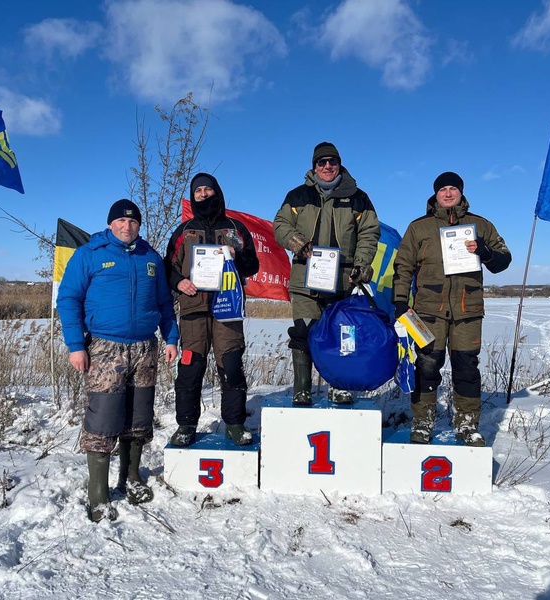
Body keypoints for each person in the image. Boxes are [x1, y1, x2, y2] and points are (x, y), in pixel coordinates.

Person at [58, 199, 179, 522]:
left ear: (139, 225)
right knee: (103, 420)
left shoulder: (150, 258)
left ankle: (131, 478)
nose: (127, 227)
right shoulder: (90, 254)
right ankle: (98, 493)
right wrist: (75, 345)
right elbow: (68, 298)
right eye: (121, 222)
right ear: (110, 224)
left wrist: (171, 337)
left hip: (145, 348)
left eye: (133, 222)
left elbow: (165, 303)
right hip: (105, 348)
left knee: (138, 419)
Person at [392, 172, 511, 446]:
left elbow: (503, 260)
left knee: (466, 368)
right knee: (426, 366)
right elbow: (403, 267)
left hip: (467, 311)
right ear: (435, 194)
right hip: (427, 312)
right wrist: (400, 302)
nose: (448, 194)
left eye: (453, 189)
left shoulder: (481, 225)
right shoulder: (418, 228)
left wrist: (484, 251)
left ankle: (468, 424)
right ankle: (423, 422)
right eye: (443, 189)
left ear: (461, 193)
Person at [273, 142, 380, 405]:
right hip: (304, 280)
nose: (327, 166)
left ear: (339, 164)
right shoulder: (297, 196)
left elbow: (369, 233)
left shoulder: (359, 197)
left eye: (332, 161)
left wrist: (362, 264)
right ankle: (302, 389)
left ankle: (339, 386)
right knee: (304, 332)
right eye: (322, 162)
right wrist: (298, 243)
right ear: (314, 166)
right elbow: (280, 225)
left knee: (342, 335)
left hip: (343, 281)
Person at [165, 173, 260, 447]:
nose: (203, 194)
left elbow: (253, 265)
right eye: (198, 191)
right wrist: (179, 282)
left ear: (216, 192)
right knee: (190, 368)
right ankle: (185, 426)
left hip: (227, 308)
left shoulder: (236, 229)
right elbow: (167, 267)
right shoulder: (183, 232)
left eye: (208, 189)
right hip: (194, 310)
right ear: (193, 196)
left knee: (231, 365)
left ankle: (234, 424)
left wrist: (236, 256)